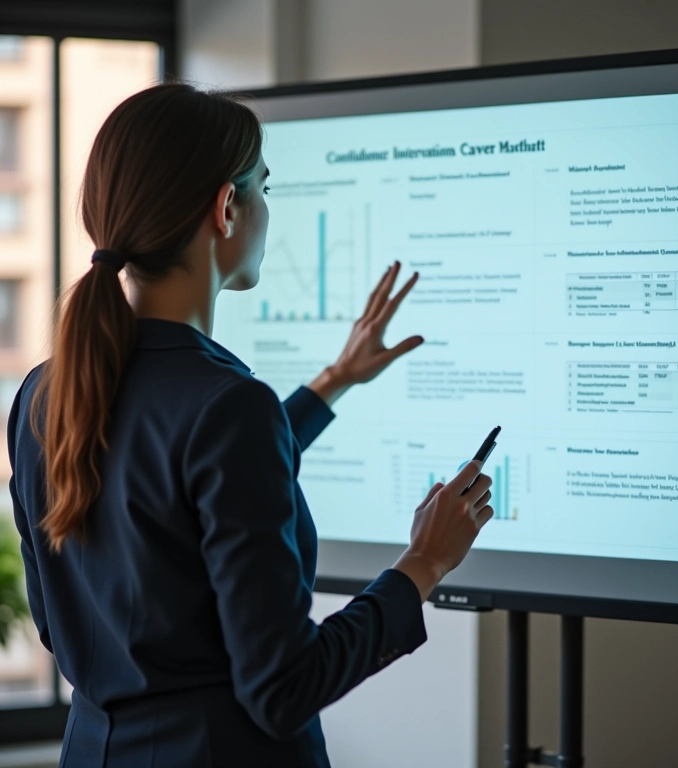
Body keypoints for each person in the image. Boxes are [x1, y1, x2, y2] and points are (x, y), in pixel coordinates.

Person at [7, 83, 494, 768]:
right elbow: (284, 690)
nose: (267, 208)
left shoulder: (43, 393)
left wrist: (334, 379)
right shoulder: (226, 406)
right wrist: (424, 563)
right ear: (226, 208)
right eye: (264, 187)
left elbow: (71, 612)